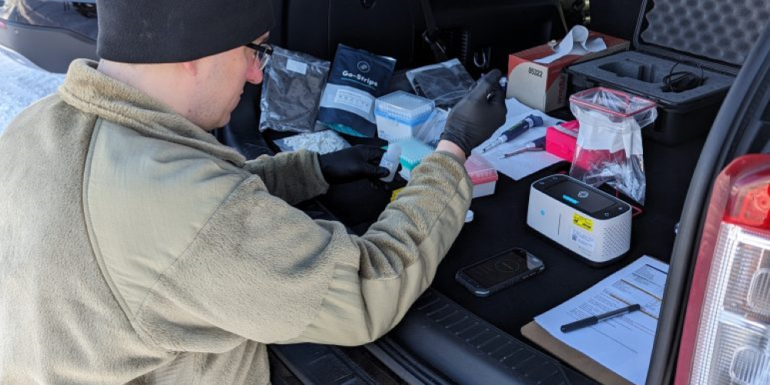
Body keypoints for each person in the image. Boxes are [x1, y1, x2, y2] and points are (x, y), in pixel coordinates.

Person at [0, 0, 506, 383]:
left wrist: (313, 169)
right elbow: (366, 289)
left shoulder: (38, 126)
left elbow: (183, 215)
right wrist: (453, 149)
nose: (258, 72)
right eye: (253, 50)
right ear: (190, 54)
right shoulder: (185, 210)